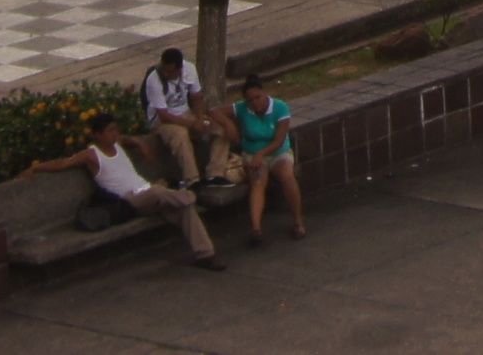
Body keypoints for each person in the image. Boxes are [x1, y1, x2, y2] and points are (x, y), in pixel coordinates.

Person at [26, 112, 222, 267]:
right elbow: (62, 163)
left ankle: (206, 255)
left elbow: (127, 138)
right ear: (97, 134)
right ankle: (191, 195)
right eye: (109, 131)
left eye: (115, 130)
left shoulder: (118, 143)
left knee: (183, 210)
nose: (114, 134)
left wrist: (139, 143)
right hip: (131, 202)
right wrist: (35, 167)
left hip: (151, 195)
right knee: (159, 191)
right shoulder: (91, 155)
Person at [140, 46, 231, 188]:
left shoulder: (190, 69)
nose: (166, 73)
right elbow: (164, 115)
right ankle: (192, 180)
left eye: (170, 71)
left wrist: (200, 119)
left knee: (219, 129)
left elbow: (196, 97)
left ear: (179, 68)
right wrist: (191, 124)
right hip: (161, 121)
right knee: (180, 134)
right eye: (164, 69)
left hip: (186, 113)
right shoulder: (154, 80)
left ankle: (215, 174)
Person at [230, 76, 303, 245]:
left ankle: (298, 221)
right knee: (258, 181)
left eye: (258, 97)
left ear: (264, 94)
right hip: (252, 153)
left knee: (287, 176)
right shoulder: (242, 109)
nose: (255, 103)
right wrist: (229, 126)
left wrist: (261, 154)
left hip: (277, 152)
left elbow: (278, 140)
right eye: (250, 100)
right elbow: (215, 111)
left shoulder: (280, 107)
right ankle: (256, 229)